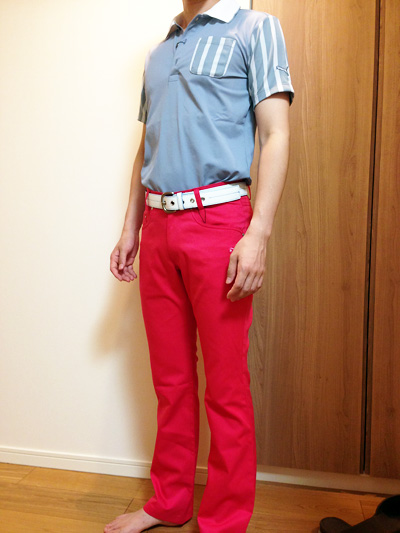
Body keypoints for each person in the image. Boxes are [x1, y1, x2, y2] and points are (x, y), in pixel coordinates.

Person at [106, 0, 294, 531]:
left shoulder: (256, 28)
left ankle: (225, 519)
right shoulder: (159, 52)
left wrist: (258, 233)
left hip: (220, 223)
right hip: (158, 225)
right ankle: (168, 501)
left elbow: (275, 134)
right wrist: (130, 228)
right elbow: (147, 144)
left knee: (226, 387)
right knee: (171, 381)